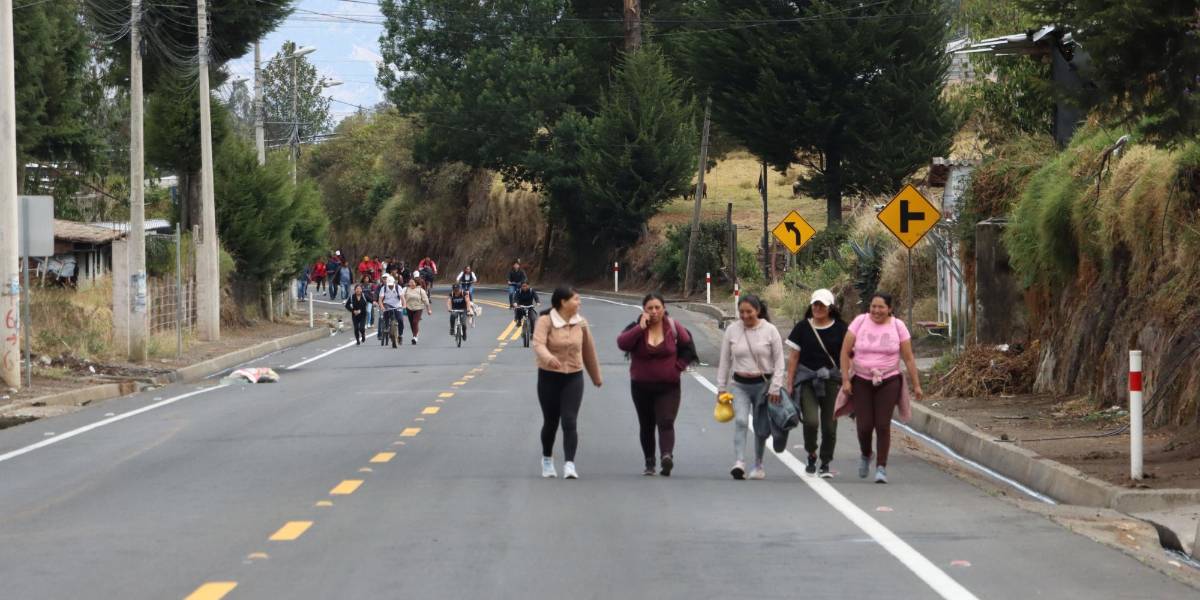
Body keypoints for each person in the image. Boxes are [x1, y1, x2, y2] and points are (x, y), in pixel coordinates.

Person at [837, 293, 921, 484]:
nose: (876, 310)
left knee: (882, 424)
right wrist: (846, 380)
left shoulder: (898, 326)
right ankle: (866, 453)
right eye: (873, 306)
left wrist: (916, 385)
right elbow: (844, 351)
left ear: (889, 309)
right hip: (861, 379)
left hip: (889, 380)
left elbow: (908, 358)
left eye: (881, 307)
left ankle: (881, 467)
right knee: (864, 425)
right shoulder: (860, 322)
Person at [616, 292, 693, 477]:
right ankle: (649, 462)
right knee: (647, 424)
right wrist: (639, 328)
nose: (654, 311)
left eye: (658, 307)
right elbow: (622, 343)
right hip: (641, 386)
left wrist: (678, 368)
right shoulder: (636, 328)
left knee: (666, 421)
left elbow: (688, 347)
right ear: (644, 310)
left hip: (668, 386)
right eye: (650, 308)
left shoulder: (673, 327)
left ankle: (666, 456)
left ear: (664, 308)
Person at [532, 287, 602, 479]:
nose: (579, 303)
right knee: (551, 421)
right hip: (548, 377)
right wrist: (548, 358)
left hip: (573, 376)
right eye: (576, 299)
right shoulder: (545, 321)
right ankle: (547, 459)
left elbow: (588, 351)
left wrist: (596, 376)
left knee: (570, 420)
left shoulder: (581, 323)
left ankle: (569, 464)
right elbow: (538, 344)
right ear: (563, 302)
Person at [716, 295, 785, 480]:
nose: (745, 316)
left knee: (760, 428)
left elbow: (779, 361)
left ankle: (758, 464)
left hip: (764, 387)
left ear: (758, 311)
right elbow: (724, 361)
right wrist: (721, 387)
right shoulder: (732, 330)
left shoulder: (770, 330)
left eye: (749, 312)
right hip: (740, 385)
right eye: (741, 312)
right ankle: (739, 462)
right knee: (741, 421)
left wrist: (776, 386)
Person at [784, 289, 847, 478]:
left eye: (822, 305)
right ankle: (811, 453)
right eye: (815, 304)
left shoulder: (841, 328)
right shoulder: (802, 327)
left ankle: (825, 461)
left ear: (830, 307)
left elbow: (847, 357)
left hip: (831, 381)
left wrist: (847, 380)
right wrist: (790, 382)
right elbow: (794, 357)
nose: (818, 308)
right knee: (811, 421)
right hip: (807, 381)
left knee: (830, 426)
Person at [375, 274, 406, 347]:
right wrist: (382, 307)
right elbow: (380, 300)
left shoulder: (398, 288)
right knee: (386, 314)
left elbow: (402, 298)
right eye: (389, 285)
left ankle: (400, 335)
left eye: (391, 285)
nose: (390, 286)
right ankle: (386, 327)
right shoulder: (384, 288)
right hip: (387, 304)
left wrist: (404, 305)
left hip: (397, 305)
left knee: (400, 320)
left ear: (394, 283)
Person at [403, 275, 433, 345]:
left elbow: (426, 300)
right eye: (410, 282)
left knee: (415, 322)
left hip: (418, 308)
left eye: (412, 282)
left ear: (416, 283)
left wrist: (429, 309)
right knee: (411, 323)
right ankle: (415, 334)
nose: (411, 284)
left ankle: (415, 337)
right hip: (409, 308)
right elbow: (402, 297)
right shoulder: (406, 289)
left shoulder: (420, 290)